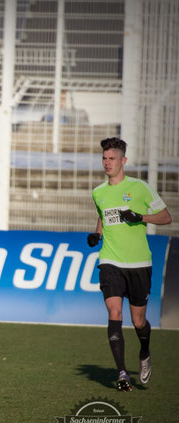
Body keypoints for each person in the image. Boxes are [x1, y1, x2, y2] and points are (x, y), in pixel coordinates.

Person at [88, 137, 172, 391]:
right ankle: (122, 373)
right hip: (110, 261)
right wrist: (97, 234)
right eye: (104, 158)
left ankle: (144, 352)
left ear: (123, 160)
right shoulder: (99, 192)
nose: (107, 163)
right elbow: (103, 217)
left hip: (139, 264)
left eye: (111, 158)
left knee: (138, 322)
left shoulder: (140, 188)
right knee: (115, 313)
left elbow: (166, 217)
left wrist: (141, 217)